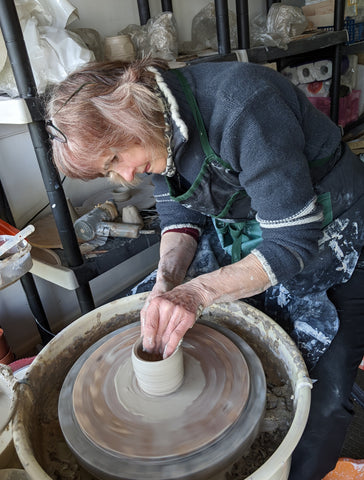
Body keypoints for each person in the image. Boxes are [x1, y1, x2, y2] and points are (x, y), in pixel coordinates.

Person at [46, 57, 364, 480]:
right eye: (109, 170)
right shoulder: (156, 122)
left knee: (322, 394)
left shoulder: (245, 105)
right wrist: (167, 281)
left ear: (129, 111)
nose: (124, 176)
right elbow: (178, 206)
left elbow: (291, 243)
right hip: (251, 224)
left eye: (118, 156)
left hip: (333, 229)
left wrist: (196, 293)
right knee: (148, 305)